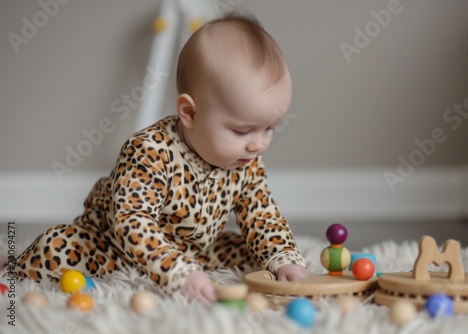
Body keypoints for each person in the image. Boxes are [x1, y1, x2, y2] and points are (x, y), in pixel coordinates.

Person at [13, 12, 310, 305]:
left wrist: (283, 259)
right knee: (57, 248)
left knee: (254, 253)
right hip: (114, 248)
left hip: (196, 251)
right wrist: (176, 271)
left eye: (269, 128)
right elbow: (132, 220)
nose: (257, 144)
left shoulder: (245, 161)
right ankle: (11, 264)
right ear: (190, 113)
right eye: (242, 130)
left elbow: (261, 213)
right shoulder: (150, 151)